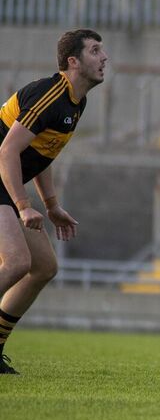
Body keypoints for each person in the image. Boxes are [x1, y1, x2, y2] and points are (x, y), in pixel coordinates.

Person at [0, 29, 107, 374]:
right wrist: (22, 204)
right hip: (2, 174)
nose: (104, 57)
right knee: (17, 262)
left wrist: (50, 205)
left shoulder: (77, 101)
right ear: (73, 62)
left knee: (44, 266)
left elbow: (40, 153)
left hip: (8, 178)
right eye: (95, 51)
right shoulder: (51, 95)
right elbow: (8, 151)